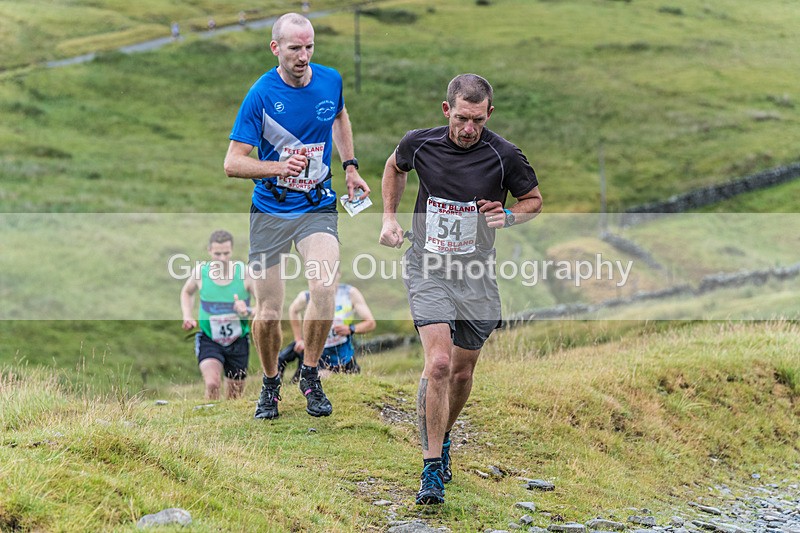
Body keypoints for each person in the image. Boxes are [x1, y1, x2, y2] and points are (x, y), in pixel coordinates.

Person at [379, 74, 543, 505]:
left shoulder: (504, 155)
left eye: (477, 119)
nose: (468, 128)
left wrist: (508, 216)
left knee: (462, 372)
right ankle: (431, 468)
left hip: (477, 276)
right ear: (446, 110)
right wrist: (389, 219)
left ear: (489, 114)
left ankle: (444, 435)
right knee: (438, 363)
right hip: (427, 266)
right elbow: (394, 166)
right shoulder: (421, 143)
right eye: (461, 118)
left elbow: (534, 201)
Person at [223, 13, 369, 420]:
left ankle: (310, 374)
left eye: (309, 47)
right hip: (270, 209)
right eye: (294, 48)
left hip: (316, 205)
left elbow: (339, 116)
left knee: (324, 287)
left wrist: (351, 166)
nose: (303, 56)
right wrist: (277, 168)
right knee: (268, 311)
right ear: (276, 49)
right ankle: (270, 383)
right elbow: (232, 163)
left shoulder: (330, 80)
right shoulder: (260, 96)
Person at [180, 230, 255, 400]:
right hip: (209, 339)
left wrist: (247, 310)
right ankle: (208, 418)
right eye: (217, 254)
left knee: (234, 395)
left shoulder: (245, 274)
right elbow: (187, 292)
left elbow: (265, 308)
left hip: (238, 341)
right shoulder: (201, 273)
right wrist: (187, 315)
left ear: (232, 250)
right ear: (209, 251)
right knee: (212, 383)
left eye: (226, 253)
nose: (222, 258)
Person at [287, 271, 376, 377]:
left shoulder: (350, 293)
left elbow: (370, 323)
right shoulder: (307, 296)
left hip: (343, 355)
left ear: (339, 273)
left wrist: (351, 328)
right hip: (317, 355)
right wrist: (298, 339)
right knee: (314, 377)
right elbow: (293, 310)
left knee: (345, 380)